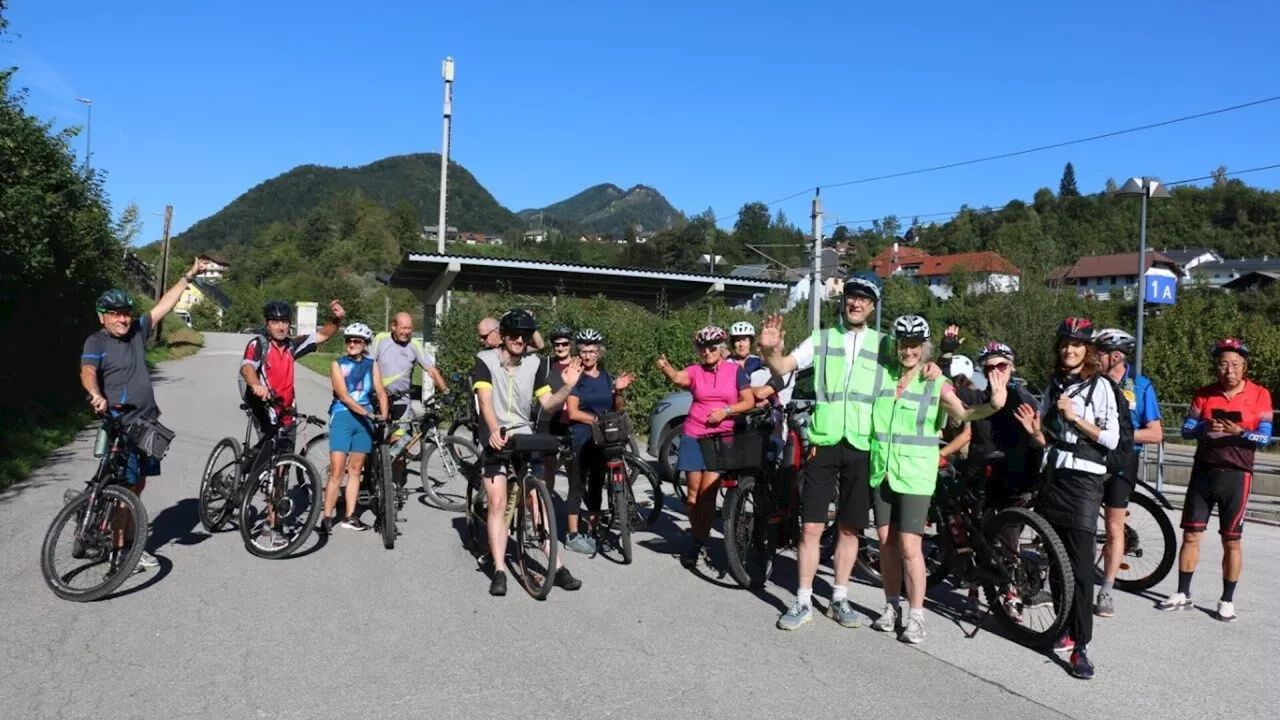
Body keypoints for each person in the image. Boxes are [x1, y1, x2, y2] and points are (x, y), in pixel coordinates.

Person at [758, 270, 941, 632]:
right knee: (810, 527)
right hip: (824, 443)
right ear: (843, 300)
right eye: (851, 296)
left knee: (850, 528)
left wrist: (933, 366)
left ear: (872, 306)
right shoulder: (821, 338)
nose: (856, 303)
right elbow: (783, 367)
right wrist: (768, 350)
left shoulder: (886, 344)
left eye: (864, 299)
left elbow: (913, 362)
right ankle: (804, 600)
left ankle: (839, 597)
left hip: (863, 446)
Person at [868, 315, 1009, 644]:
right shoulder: (884, 377)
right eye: (903, 343)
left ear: (923, 347)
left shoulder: (935, 381)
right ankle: (891, 608)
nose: (908, 350)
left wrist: (993, 405)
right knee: (886, 544)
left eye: (915, 345)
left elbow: (963, 414)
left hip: (916, 475)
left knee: (908, 546)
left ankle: (917, 617)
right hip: (883, 470)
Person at [80, 258, 209, 572]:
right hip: (120, 423)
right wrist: (96, 394)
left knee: (137, 486)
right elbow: (87, 370)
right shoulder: (96, 341)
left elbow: (165, 304)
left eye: (125, 313)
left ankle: (124, 537)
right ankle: (122, 548)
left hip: (147, 421)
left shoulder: (137, 331)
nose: (123, 319)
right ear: (102, 317)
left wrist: (188, 276)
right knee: (125, 487)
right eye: (116, 314)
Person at [1014, 317, 1119, 680]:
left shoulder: (1100, 387)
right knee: (1057, 562)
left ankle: (1082, 647)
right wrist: (1034, 433)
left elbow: (1111, 439)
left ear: (1087, 350)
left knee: (1080, 566)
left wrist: (1074, 419)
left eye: (1077, 344)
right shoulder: (1054, 385)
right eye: (1064, 343)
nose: (1069, 349)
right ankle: (1063, 627)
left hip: (1084, 483)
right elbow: (1048, 440)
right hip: (1054, 477)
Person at [1159, 338, 1272, 622]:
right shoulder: (1204, 393)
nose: (1229, 370)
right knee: (1191, 535)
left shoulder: (1260, 394)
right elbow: (1185, 430)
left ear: (1244, 366)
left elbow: (1266, 436)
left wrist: (1239, 432)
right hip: (1204, 472)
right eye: (1223, 364)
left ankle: (1227, 600)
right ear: (1216, 367)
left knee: (1231, 541)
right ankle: (1183, 593)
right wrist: (1203, 427)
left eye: (1235, 364)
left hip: (1237, 475)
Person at [473, 308, 584, 596]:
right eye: (514, 335)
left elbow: (547, 404)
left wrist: (568, 387)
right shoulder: (485, 360)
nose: (519, 339)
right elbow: (485, 401)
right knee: (498, 502)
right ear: (504, 337)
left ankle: (556, 567)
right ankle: (499, 569)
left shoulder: (534, 365)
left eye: (524, 336)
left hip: (523, 433)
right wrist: (495, 430)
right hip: (494, 433)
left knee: (537, 499)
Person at [656, 326, 758, 569]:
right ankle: (698, 538)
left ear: (722, 349)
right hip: (693, 434)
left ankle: (702, 538)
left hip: (721, 439)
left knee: (707, 494)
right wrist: (667, 368)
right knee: (692, 496)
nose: (708, 352)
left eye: (713, 348)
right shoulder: (695, 370)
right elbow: (680, 378)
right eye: (703, 348)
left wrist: (727, 410)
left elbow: (749, 401)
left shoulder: (735, 372)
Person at [1091, 328, 1163, 619]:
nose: (1094, 357)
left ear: (1116, 356)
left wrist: (1121, 436)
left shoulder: (1141, 386)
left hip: (1123, 461)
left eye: (1099, 353)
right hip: (1091, 460)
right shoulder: (1091, 383)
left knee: (1113, 527)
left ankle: (1106, 589)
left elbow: (1155, 433)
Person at [563, 329, 635, 554]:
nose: (587, 356)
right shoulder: (575, 376)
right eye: (583, 351)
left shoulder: (604, 376)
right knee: (576, 484)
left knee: (596, 484)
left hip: (602, 439)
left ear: (599, 353)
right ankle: (573, 534)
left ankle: (592, 532)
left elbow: (617, 408)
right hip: (581, 437)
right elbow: (573, 413)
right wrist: (596, 420)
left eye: (592, 351)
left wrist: (619, 391)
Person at [239, 298, 345, 449]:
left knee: (286, 454)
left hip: (287, 409)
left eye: (285, 322)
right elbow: (247, 367)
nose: (281, 327)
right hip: (263, 407)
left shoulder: (291, 346)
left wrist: (337, 319)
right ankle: (252, 470)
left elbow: (322, 335)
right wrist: (256, 384)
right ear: (267, 324)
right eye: (275, 322)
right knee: (269, 452)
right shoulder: (259, 344)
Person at [321, 323, 389, 532]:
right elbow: (343, 395)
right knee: (337, 470)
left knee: (356, 469)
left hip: (364, 421)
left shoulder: (371, 364)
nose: (352, 343)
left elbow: (380, 392)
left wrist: (384, 416)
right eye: (349, 340)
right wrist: (368, 413)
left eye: (357, 340)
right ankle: (327, 517)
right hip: (342, 416)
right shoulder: (337, 364)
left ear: (365, 344)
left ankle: (350, 516)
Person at [372, 312, 449, 495]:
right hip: (378, 400)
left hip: (401, 403)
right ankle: (370, 475)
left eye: (409, 328)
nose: (406, 332)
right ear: (393, 326)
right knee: (372, 443)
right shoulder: (381, 339)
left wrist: (445, 391)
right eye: (403, 328)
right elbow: (367, 363)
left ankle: (396, 486)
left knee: (399, 447)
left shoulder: (415, 345)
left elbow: (431, 369)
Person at [538, 325, 576, 493]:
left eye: (565, 344)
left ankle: (572, 508)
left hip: (571, 421)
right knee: (549, 467)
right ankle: (549, 505)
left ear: (571, 345)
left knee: (572, 467)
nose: (560, 348)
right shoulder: (545, 364)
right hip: (548, 420)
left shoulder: (578, 364)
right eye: (557, 344)